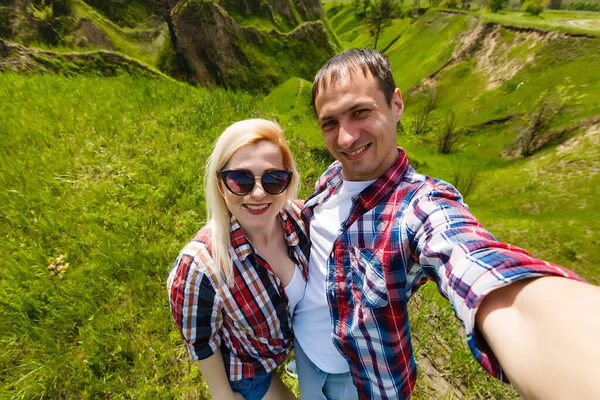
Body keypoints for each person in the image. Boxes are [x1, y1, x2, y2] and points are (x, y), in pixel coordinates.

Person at [292, 48, 600, 400]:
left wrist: (565, 339)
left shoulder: (419, 207)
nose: (345, 138)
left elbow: (472, 260)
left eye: (360, 112)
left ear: (396, 105)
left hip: (364, 382)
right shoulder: (332, 177)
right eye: (330, 123)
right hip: (306, 353)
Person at [167, 119, 309, 400]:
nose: (258, 193)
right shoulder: (200, 268)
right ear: (220, 183)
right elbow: (201, 340)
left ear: (288, 180)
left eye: (274, 179)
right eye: (240, 179)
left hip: (289, 348)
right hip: (247, 373)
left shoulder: (299, 220)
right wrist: (223, 395)